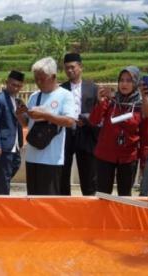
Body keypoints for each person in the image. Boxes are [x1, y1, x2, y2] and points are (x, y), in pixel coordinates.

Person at [17, 57, 77, 195]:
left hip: (52, 159)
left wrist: (45, 115)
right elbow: (27, 123)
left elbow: (69, 121)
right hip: (32, 156)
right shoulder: (34, 96)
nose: (38, 82)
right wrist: (20, 115)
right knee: (32, 198)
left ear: (53, 77)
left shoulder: (65, 95)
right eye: (36, 79)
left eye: (42, 79)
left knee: (48, 201)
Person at [89, 66, 148, 196]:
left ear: (136, 82)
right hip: (105, 156)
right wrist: (100, 102)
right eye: (121, 80)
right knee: (103, 196)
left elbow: (144, 137)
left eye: (129, 80)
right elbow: (94, 120)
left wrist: (144, 162)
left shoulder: (141, 106)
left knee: (125, 197)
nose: (124, 84)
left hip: (128, 158)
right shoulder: (111, 101)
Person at [60, 53, 99, 196]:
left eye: (72, 67)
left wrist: (88, 120)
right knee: (63, 173)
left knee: (88, 174)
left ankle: (89, 204)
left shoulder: (93, 88)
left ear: (80, 67)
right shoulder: (61, 89)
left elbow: (99, 112)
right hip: (66, 135)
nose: (69, 71)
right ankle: (64, 204)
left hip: (86, 135)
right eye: (66, 68)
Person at [0, 70, 25, 195]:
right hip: (2, 144)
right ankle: (4, 199)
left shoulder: (17, 101)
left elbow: (20, 121)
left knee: (15, 166)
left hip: (15, 143)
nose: (15, 88)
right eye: (12, 84)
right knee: (4, 174)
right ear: (7, 83)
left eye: (18, 86)